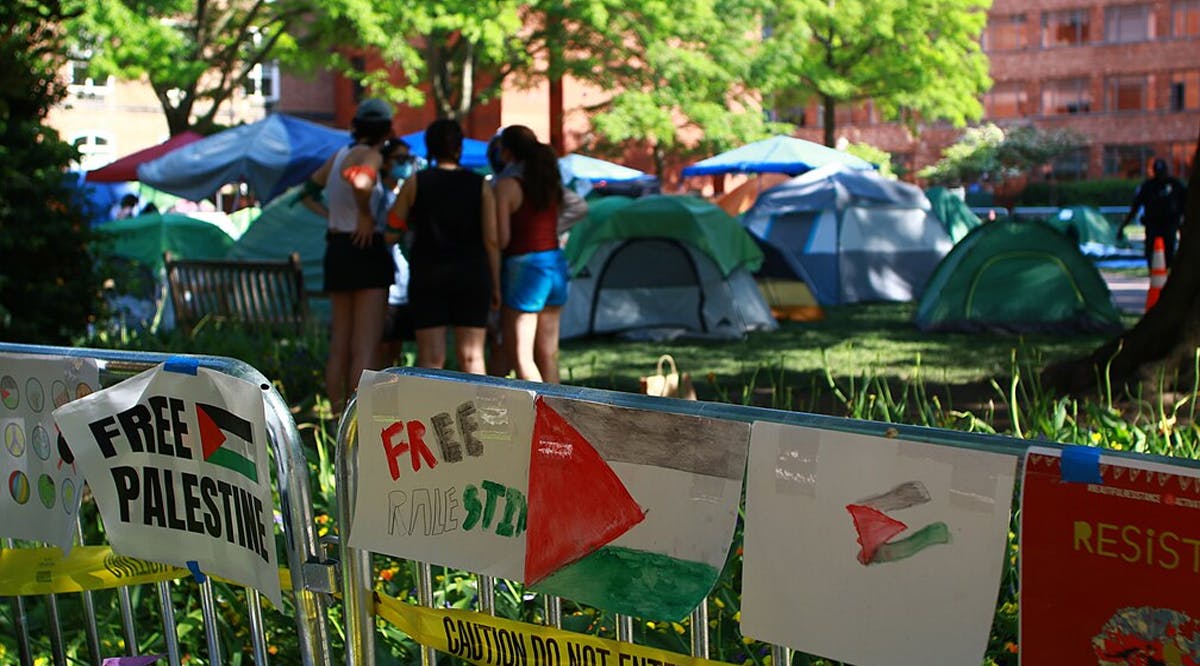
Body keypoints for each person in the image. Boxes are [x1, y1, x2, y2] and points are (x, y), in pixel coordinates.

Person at [302, 98, 396, 415]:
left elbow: (306, 193)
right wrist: (366, 214)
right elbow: (360, 180)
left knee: (340, 342)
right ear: (386, 129)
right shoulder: (372, 155)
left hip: (338, 247)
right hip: (366, 250)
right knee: (365, 345)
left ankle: (337, 416)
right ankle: (359, 424)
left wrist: (330, 214)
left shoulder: (338, 155)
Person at [387, 118, 499, 374]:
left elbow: (393, 225)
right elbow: (491, 240)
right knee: (472, 357)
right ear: (459, 147)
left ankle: (427, 413)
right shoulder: (480, 185)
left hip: (428, 273)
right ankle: (477, 414)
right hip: (472, 273)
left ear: (430, 147)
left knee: (430, 357)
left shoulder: (416, 182)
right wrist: (495, 283)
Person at [493, 125, 573, 383]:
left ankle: (538, 418)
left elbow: (502, 238)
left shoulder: (507, 186)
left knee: (522, 356)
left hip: (525, 269)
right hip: (555, 263)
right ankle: (558, 415)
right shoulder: (548, 182)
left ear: (505, 152)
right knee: (548, 354)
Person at [376, 137, 416, 367]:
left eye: (408, 159)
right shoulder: (378, 195)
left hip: (405, 282)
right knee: (382, 346)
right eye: (400, 159)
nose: (406, 164)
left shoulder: (404, 191)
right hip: (388, 283)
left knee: (396, 347)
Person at [1120, 158, 1187, 269]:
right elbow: (1135, 207)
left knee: (1168, 251)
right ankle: (1155, 273)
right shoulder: (1148, 186)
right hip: (1153, 225)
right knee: (1151, 252)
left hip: (1169, 225)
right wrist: (1123, 226)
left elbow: (1185, 205)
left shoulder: (1175, 185)